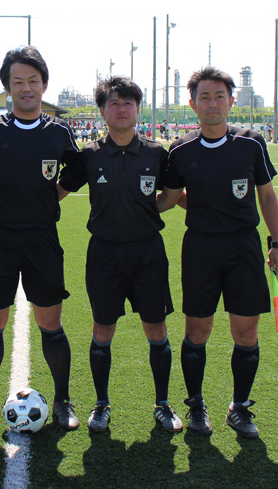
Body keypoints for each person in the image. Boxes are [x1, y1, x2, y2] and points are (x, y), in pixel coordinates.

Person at [157, 67, 278, 439]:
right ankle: (196, 405)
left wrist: (277, 244)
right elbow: (170, 198)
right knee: (197, 329)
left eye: (219, 97)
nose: (212, 104)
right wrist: (130, 203)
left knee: (246, 330)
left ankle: (239, 407)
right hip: (200, 247)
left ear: (231, 101)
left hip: (244, 246)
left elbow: (266, 195)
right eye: (204, 97)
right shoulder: (181, 150)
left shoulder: (251, 143)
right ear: (193, 104)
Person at [58, 76, 182, 433]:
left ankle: (162, 404)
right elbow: (59, 191)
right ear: (102, 112)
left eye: (128, 103)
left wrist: (145, 212)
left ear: (138, 110)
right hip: (104, 254)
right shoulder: (89, 156)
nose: (121, 109)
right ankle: (101, 404)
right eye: (114, 103)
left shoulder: (157, 154)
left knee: (156, 327)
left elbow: (173, 196)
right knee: (103, 328)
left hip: (148, 253)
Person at [0, 46, 81, 432]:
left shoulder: (59, 131)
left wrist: (53, 196)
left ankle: (63, 401)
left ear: (44, 85)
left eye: (33, 80)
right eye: (18, 81)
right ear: (8, 88)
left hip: (42, 238)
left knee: (50, 321)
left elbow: (77, 170)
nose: (27, 88)